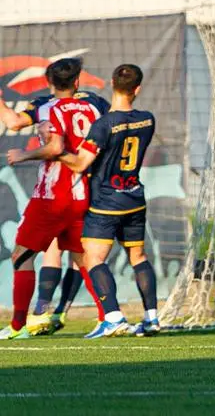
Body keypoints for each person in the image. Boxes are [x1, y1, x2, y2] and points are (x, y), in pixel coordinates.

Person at [0, 59, 102, 340]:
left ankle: (19, 325)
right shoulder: (94, 105)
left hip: (52, 196)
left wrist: (24, 154)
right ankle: (109, 316)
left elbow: (15, 123)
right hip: (83, 194)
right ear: (77, 82)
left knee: (21, 256)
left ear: (49, 83)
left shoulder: (47, 107)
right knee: (84, 259)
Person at [59, 64, 159, 338]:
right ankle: (152, 318)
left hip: (106, 202)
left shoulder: (104, 125)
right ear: (137, 89)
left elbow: (80, 164)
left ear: (111, 83)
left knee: (92, 258)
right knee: (138, 256)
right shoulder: (148, 119)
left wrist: (57, 153)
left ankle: (113, 317)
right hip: (135, 198)